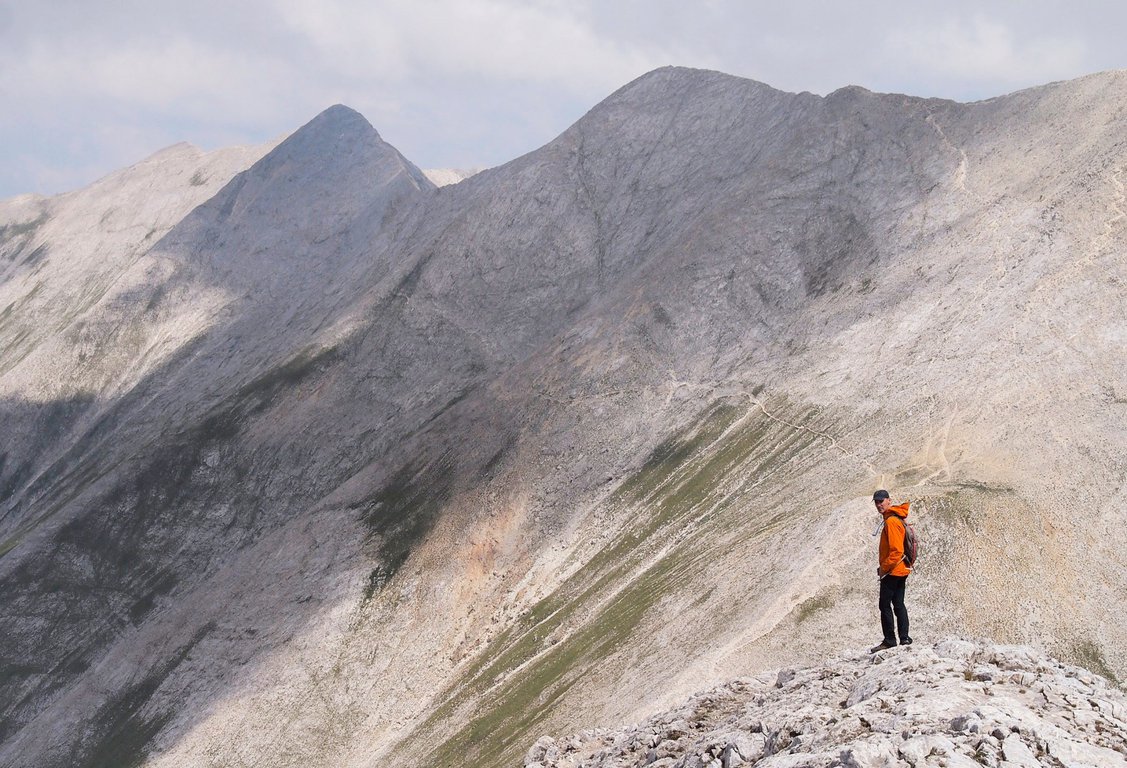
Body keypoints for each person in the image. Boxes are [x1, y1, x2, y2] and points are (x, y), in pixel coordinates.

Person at [870, 489, 912, 653]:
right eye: (876, 502)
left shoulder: (891, 522)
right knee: (898, 604)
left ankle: (889, 640)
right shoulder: (896, 518)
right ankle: (904, 638)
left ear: (889, 500)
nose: (879, 505)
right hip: (901, 569)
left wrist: (883, 569)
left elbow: (896, 551)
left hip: (893, 570)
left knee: (884, 604)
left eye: (881, 501)